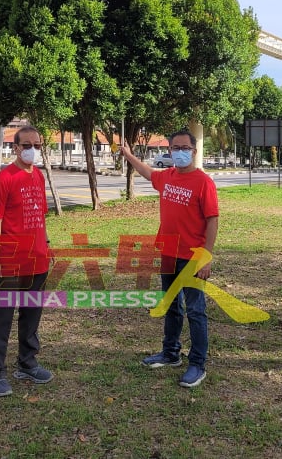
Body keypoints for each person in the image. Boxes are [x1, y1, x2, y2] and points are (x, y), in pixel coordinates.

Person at [120, 130, 219, 388]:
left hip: (193, 258)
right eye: (175, 148)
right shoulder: (167, 177)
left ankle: (197, 363)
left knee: (196, 311)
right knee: (172, 306)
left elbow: (212, 220)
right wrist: (128, 155)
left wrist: (206, 258)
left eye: (185, 147)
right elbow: (147, 172)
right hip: (167, 254)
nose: (180, 152)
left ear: (194, 151)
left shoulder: (203, 182)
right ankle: (170, 353)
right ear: (170, 151)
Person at [0, 125, 53, 397]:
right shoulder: (4, 179)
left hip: (38, 259)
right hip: (11, 261)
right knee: (3, 317)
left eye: (37, 145)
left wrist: (46, 244)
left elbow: (41, 216)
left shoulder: (38, 176)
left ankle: (27, 363)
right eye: (27, 145)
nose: (32, 150)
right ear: (16, 148)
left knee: (31, 315)